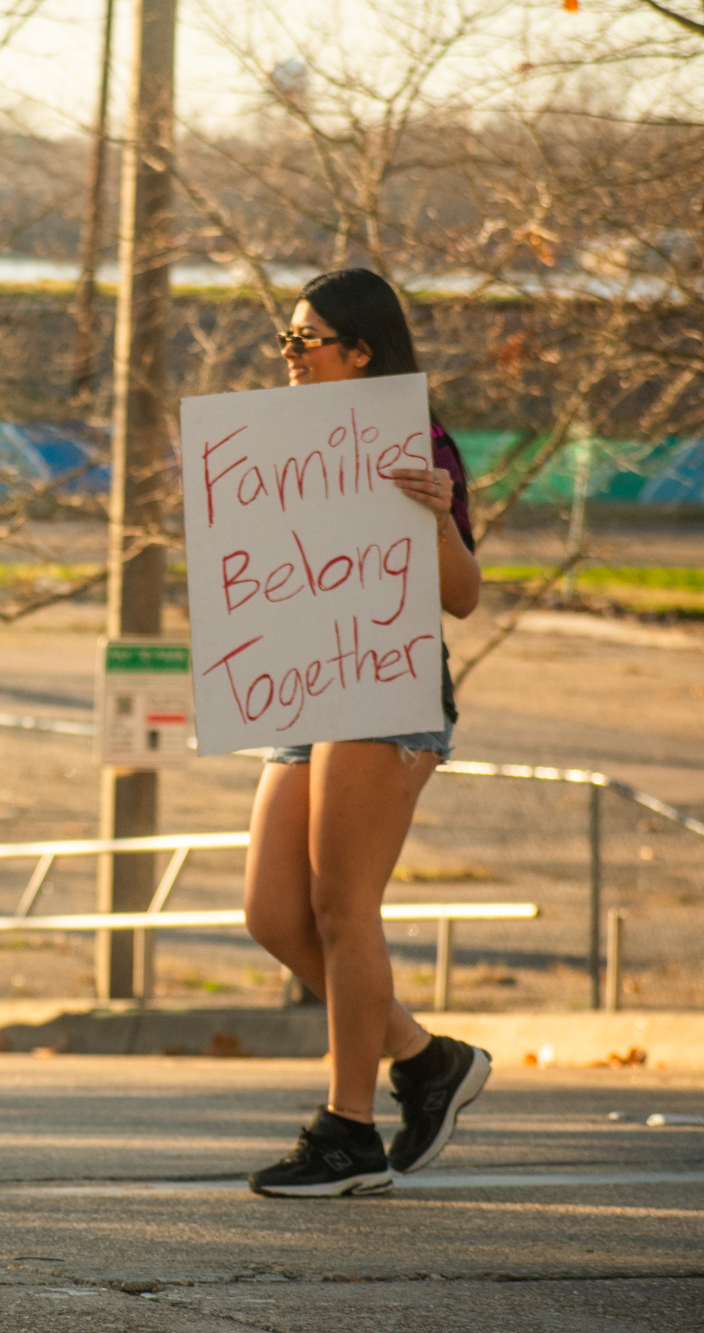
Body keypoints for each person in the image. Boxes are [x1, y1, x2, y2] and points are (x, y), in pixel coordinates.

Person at [243, 268, 493, 1198]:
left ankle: (349, 1130)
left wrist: (433, 519)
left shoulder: (416, 443)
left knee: (343, 902)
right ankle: (425, 1058)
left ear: (363, 352)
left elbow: (462, 598)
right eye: (288, 340)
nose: (293, 356)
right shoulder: (270, 444)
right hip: (306, 680)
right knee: (272, 913)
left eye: (309, 341)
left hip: (383, 683)